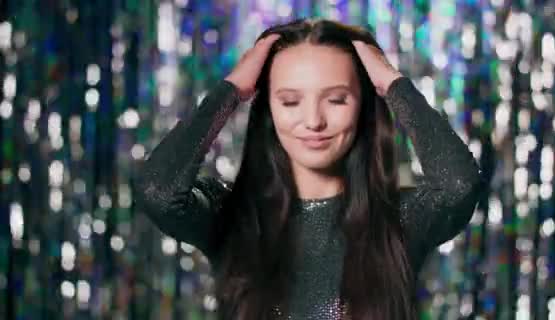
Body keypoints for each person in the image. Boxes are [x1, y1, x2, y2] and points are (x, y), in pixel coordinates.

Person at [133, 18, 486, 320]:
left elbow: (459, 186)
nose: (313, 121)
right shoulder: (233, 214)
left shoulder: (399, 217)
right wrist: (232, 89)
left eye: (336, 99)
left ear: (362, 106)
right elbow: (158, 193)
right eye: (290, 101)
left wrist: (391, 83)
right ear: (268, 110)